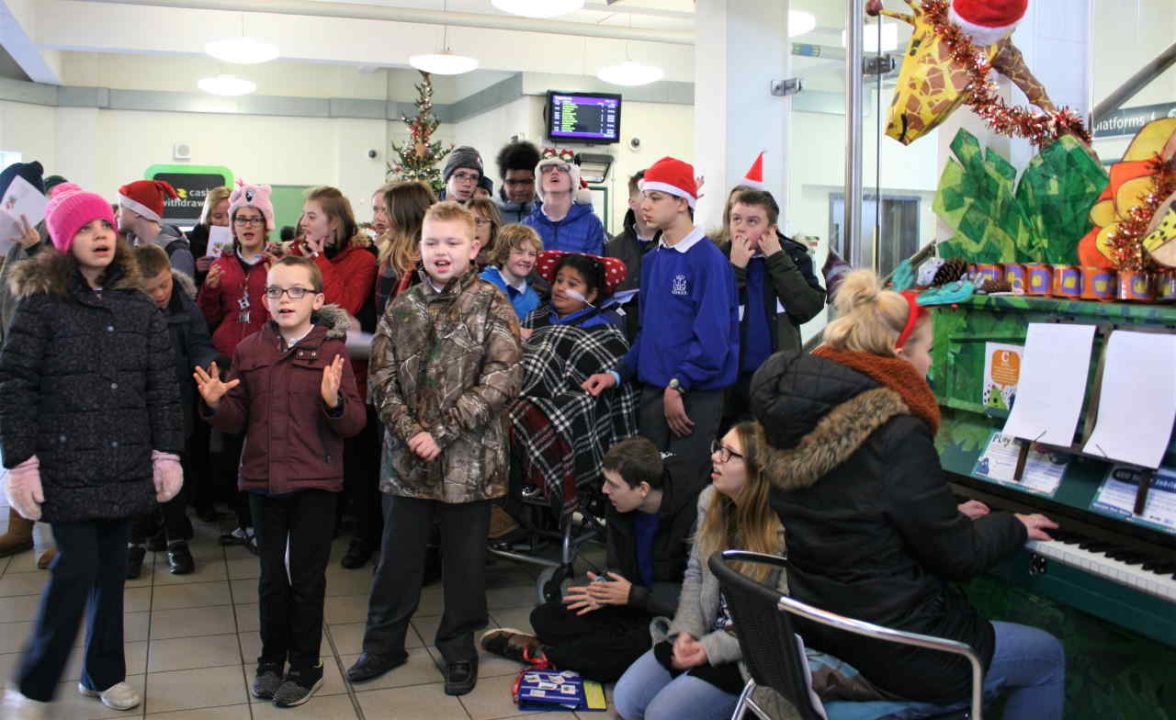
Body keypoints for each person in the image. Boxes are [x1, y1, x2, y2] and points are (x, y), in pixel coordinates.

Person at [752, 270, 1064, 718]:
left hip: (826, 624)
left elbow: (859, 507)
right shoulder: (896, 432)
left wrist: (944, 512)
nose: (931, 366)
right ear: (899, 353)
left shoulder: (791, 415)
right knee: (1046, 655)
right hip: (898, 649)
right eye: (929, 352)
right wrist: (1012, 525)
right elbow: (959, 558)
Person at [0, 187, 183, 717]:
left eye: (104, 224)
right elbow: (14, 384)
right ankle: (34, 685)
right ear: (62, 240)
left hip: (124, 460)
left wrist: (165, 453)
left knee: (109, 570)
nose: (100, 235)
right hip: (65, 463)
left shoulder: (135, 304)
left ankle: (103, 672)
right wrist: (21, 461)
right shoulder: (42, 304)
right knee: (75, 566)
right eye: (84, 228)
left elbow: (161, 385)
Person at [347, 201, 523, 696]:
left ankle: (458, 647)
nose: (440, 252)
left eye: (451, 243)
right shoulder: (402, 307)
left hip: (470, 464)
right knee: (396, 560)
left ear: (473, 247)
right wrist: (409, 431)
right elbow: (380, 379)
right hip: (406, 463)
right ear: (418, 247)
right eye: (431, 242)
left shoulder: (493, 304)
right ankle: (383, 645)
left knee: (464, 564)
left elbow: (503, 379)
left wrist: (440, 432)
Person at [196, 255, 365, 708]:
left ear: (317, 299)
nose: (284, 299)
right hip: (262, 480)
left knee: (307, 579)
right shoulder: (250, 349)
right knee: (272, 577)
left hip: (315, 482)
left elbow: (353, 422)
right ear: (264, 297)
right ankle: (271, 660)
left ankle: (306, 665)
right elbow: (237, 418)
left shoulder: (332, 350)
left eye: (295, 291)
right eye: (274, 290)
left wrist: (333, 404)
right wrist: (216, 406)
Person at [481, 437, 704, 681]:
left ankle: (548, 654)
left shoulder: (695, 515)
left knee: (617, 652)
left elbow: (697, 600)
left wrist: (634, 595)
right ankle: (569, 651)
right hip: (632, 605)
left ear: (642, 489)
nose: (604, 491)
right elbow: (619, 565)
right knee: (545, 617)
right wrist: (604, 589)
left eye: (613, 485)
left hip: (668, 619)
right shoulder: (619, 506)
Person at [614, 422, 787, 720]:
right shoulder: (711, 500)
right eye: (718, 448)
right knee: (627, 700)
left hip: (746, 654)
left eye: (729, 454)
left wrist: (710, 650)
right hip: (704, 633)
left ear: (757, 470)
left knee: (661, 715)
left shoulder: (781, 530)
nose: (716, 457)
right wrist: (686, 630)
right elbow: (695, 573)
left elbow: (774, 620)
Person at [583, 156, 739, 472]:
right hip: (655, 392)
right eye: (643, 196)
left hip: (694, 394)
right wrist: (617, 374)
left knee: (682, 486)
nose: (644, 205)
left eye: (656, 197)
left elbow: (713, 340)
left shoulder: (708, 260)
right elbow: (648, 332)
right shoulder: (654, 260)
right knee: (651, 485)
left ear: (682, 202)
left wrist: (679, 384)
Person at [127, 245, 217, 577]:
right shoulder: (122, 311)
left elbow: (199, 344)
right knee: (137, 476)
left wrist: (206, 366)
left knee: (174, 475)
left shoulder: (186, 307)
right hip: (134, 410)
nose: (160, 294)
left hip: (176, 405)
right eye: (150, 291)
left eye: (164, 285)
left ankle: (176, 539)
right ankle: (134, 541)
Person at [196, 181, 276, 551]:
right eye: (240, 219)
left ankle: (264, 524)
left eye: (254, 219)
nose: (247, 225)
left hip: (266, 366)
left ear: (266, 224)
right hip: (228, 366)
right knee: (230, 449)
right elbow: (207, 317)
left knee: (261, 448)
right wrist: (209, 290)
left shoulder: (277, 265)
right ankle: (244, 523)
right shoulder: (221, 264)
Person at [719, 188, 825, 424]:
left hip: (779, 380)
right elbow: (710, 314)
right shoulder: (717, 257)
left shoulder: (794, 256)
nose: (741, 227)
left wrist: (776, 258)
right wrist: (735, 269)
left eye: (752, 221)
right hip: (730, 384)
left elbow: (807, 307)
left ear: (771, 229)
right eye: (736, 219)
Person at [0, 162, 51, 561]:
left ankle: (60, 539)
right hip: (12, 355)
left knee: (50, 449)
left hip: (46, 360)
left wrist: (36, 247)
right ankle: (20, 527)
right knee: (16, 444)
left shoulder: (49, 235)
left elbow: (64, 283)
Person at [606, 169, 660, 344]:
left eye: (656, 197)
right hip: (621, 338)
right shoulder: (611, 248)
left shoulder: (674, 245)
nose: (650, 204)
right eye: (646, 196)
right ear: (632, 202)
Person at [523, 150, 606, 256]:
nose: (554, 172)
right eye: (547, 169)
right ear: (540, 181)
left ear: (573, 181)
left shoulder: (592, 223)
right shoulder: (527, 225)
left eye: (562, 169)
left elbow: (595, 266)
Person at [523, 250, 627, 331]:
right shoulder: (534, 317)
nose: (560, 288)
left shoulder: (600, 328)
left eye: (572, 284)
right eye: (559, 280)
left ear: (591, 295)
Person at [374, 180, 436, 315]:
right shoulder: (388, 253)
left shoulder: (427, 264)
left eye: (387, 211)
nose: (382, 218)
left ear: (405, 217)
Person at [117, 179, 196, 277]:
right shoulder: (127, 247)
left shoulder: (176, 252)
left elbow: (184, 291)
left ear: (138, 211)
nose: (117, 214)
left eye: (121, 207)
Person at [479, 223, 543, 321]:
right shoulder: (481, 283)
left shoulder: (533, 300)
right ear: (504, 253)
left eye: (532, 254)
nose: (527, 259)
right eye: (519, 252)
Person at [187, 186, 232, 285]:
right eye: (218, 216)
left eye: (230, 215)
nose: (225, 222)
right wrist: (196, 268)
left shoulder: (245, 234)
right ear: (208, 217)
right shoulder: (198, 235)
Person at [495, 140, 541, 223]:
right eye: (512, 182)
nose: (519, 189)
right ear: (503, 182)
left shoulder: (549, 213)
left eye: (526, 182)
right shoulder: (490, 213)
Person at [467, 197, 502, 269]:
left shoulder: (505, 264)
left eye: (478, 222)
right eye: (468, 221)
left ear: (493, 227)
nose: (472, 227)